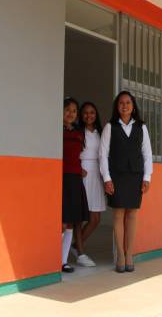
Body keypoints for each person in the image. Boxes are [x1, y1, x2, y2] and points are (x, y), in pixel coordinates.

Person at [99, 91, 153, 273]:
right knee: (118, 215)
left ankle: (130, 254)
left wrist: (147, 177)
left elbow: (147, 154)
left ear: (133, 106)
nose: (125, 106)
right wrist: (107, 178)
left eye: (128, 102)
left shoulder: (141, 127)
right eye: (121, 103)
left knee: (132, 215)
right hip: (116, 176)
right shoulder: (110, 127)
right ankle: (120, 255)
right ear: (117, 106)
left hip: (135, 176)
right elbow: (103, 155)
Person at [61, 97, 92, 273]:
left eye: (73, 111)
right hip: (61, 179)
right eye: (67, 110)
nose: (70, 113)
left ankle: (63, 261)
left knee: (71, 223)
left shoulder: (80, 133)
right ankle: (53, 260)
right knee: (61, 223)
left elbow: (79, 156)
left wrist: (80, 169)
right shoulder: (56, 130)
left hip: (75, 180)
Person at [77, 102, 106, 251]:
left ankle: (76, 245)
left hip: (97, 173)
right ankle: (79, 249)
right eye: (86, 113)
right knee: (80, 216)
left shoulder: (100, 131)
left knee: (95, 218)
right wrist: (78, 168)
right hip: (83, 172)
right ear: (81, 115)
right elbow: (72, 152)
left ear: (96, 114)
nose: (89, 115)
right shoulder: (78, 131)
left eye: (92, 112)